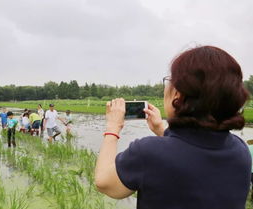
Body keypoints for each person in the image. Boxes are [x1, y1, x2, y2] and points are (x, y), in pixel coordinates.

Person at [95, 46, 251, 209]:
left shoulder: (148, 152)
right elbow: (192, 154)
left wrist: (113, 127)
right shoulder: (240, 150)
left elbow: (104, 182)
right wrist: (161, 129)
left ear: (177, 94)